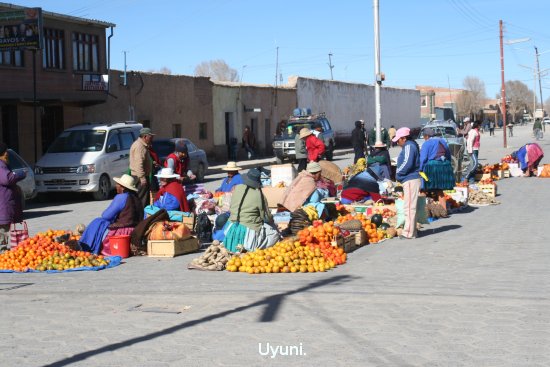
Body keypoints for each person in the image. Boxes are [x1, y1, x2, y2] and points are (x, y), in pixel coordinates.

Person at [79, 174, 144, 255]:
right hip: (136, 230)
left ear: (123, 187)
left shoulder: (121, 197)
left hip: (122, 232)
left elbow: (106, 215)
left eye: (118, 184)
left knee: (98, 221)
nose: (116, 186)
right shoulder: (137, 198)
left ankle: (86, 246)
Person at [223, 169, 280, 252]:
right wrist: (274, 225)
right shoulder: (259, 195)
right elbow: (266, 216)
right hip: (248, 230)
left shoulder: (237, 188)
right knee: (274, 234)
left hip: (231, 226)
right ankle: (256, 250)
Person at [393, 127, 421, 239]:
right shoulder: (410, 145)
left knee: (409, 207)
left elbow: (407, 163)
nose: (397, 142)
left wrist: (398, 174)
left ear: (403, 138)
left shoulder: (409, 146)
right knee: (411, 206)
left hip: (410, 179)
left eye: (398, 140)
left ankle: (408, 232)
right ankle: (412, 231)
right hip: (411, 179)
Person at [419, 128, 455, 209]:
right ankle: (444, 210)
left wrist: (420, 169)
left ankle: (422, 211)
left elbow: (423, 158)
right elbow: (448, 155)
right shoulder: (443, 141)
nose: (424, 139)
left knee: (423, 188)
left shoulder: (427, 143)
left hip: (431, 168)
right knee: (439, 190)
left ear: (427, 136)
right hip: (444, 166)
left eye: (424, 137)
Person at [0, 143, 27, 250]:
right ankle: (3, 253)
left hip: (4, 205)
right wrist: (20, 174)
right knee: (3, 231)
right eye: (5, 152)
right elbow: (7, 179)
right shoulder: (1, 166)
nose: (7, 154)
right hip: (3, 206)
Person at [130, 127, 155, 208]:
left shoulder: (142, 145)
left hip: (140, 176)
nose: (152, 139)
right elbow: (138, 163)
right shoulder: (139, 146)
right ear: (145, 137)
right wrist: (142, 177)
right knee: (142, 200)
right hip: (139, 177)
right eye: (150, 137)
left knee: (144, 199)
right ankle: (140, 219)